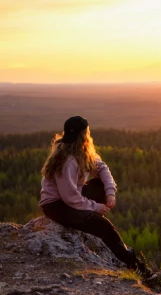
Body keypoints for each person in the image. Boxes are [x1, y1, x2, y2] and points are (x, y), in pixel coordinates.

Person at [39, 116, 155, 279]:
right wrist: (95, 207)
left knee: (100, 185)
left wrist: (109, 192)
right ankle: (136, 268)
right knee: (105, 228)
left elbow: (101, 166)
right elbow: (69, 198)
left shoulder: (78, 151)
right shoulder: (68, 160)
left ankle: (89, 219)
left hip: (70, 199)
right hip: (57, 206)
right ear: (84, 135)